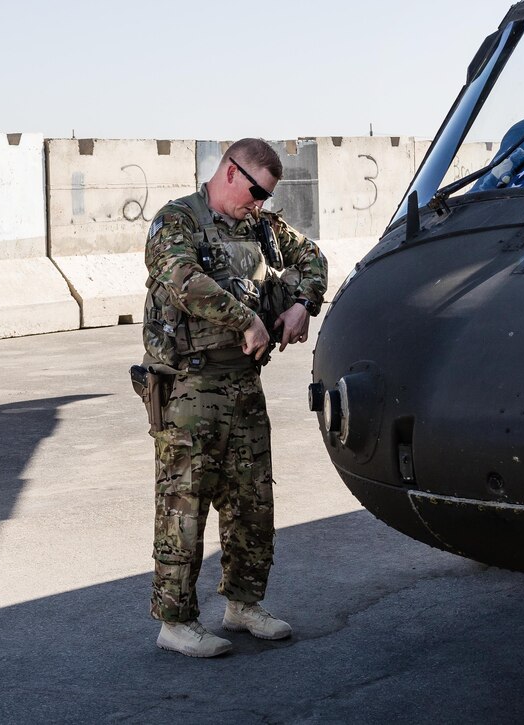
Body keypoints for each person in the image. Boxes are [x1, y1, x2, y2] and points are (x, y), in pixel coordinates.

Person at [140, 138, 327, 657]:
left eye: (267, 197)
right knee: (184, 504)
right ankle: (174, 622)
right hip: (189, 386)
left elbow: (312, 258)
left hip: (244, 384)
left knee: (252, 501)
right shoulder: (174, 221)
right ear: (229, 172)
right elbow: (183, 280)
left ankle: (243, 604)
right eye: (255, 192)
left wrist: (302, 306)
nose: (260, 204)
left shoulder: (263, 228)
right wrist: (245, 317)